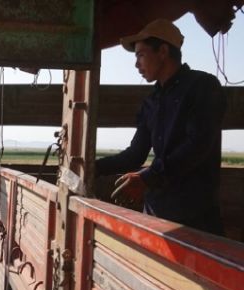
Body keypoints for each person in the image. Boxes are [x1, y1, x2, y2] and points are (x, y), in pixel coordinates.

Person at [95, 19, 226, 235]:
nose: (136, 64)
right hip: (156, 213)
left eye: (140, 55)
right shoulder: (151, 101)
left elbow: (198, 145)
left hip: (195, 217)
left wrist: (147, 178)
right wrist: (93, 167)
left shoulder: (203, 86)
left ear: (163, 51)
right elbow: (135, 155)